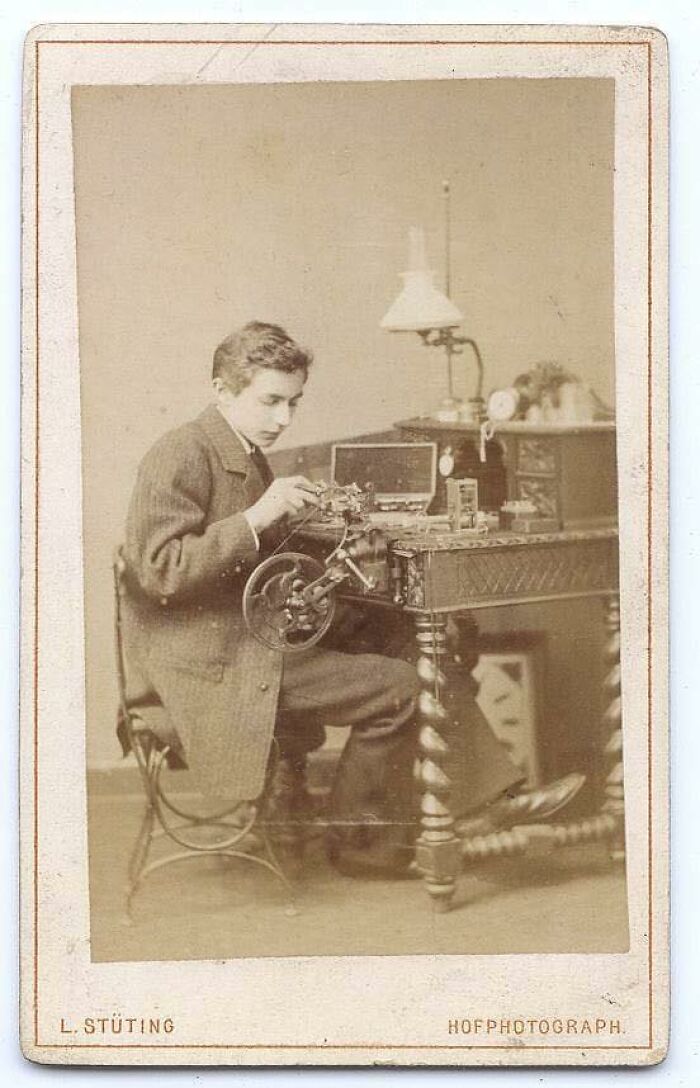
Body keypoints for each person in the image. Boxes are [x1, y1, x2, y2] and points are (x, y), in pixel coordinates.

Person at [120, 320, 583, 877]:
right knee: (399, 689)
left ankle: (487, 800)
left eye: (293, 403)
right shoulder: (179, 453)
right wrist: (258, 517)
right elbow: (158, 573)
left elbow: (253, 564)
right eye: (271, 402)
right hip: (210, 663)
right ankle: (358, 842)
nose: (283, 419)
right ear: (221, 389)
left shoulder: (241, 448)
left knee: (410, 637)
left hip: (251, 635)